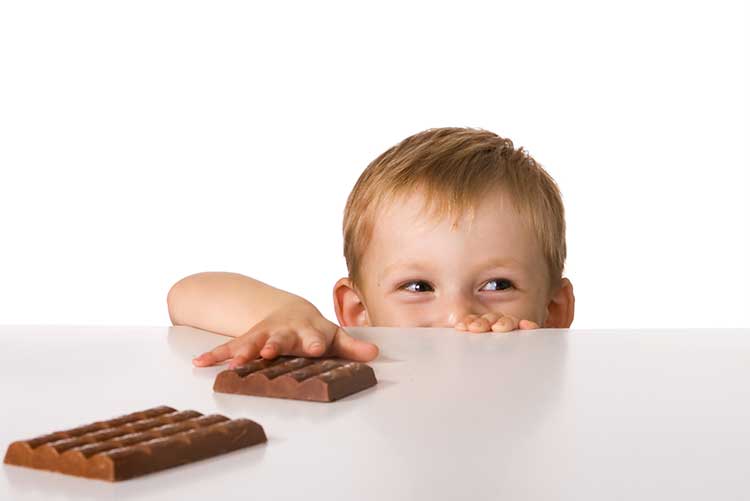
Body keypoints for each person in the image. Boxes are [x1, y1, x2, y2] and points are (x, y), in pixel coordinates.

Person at [167, 127, 575, 369]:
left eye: (497, 285)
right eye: (417, 287)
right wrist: (284, 314)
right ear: (356, 312)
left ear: (554, 311)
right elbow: (186, 293)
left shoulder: (558, 411)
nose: (457, 317)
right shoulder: (355, 354)